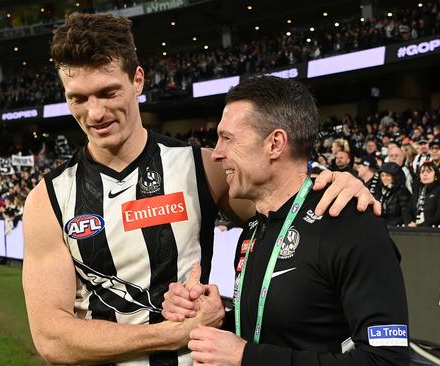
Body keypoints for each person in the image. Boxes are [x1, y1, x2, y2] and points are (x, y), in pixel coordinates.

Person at [21, 12, 378, 365]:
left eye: (108, 92)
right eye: (78, 99)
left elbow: (290, 223)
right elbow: (52, 337)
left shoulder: (204, 167)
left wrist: (330, 184)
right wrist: (172, 334)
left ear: (138, 80)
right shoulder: (48, 199)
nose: (95, 113)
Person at [162, 76, 409, 366]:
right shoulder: (253, 229)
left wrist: (245, 357)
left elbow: (387, 360)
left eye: (227, 138)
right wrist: (219, 319)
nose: (216, 153)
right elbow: (275, 336)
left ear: (275, 144)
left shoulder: (349, 222)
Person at [406, 162, 440, 227]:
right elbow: (408, 211)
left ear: (436, 176)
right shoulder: (417, 191)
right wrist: (409, 223)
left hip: (434, 230)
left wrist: (421, 225)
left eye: (428, 172)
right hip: (415, 229)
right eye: (422, 172)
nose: (425, 174)